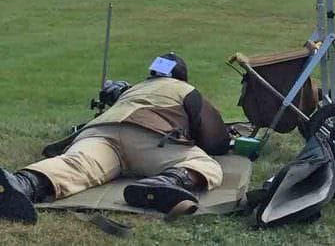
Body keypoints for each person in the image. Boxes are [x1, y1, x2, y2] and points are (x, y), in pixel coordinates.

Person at [0, 52, 231, 224]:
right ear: (182, 77)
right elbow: (216, 139)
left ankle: (23, 183)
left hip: (99, 131)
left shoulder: (133, 89)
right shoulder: (185, 90)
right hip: (149, 137)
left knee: (76, 164)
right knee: (206, 165)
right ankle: (163, 183)